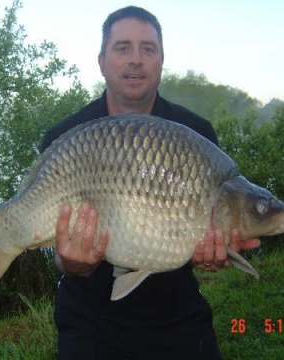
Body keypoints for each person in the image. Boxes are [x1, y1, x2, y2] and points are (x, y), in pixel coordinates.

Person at [40, 6, 260, 360]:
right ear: (101, 60)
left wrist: (212, 254)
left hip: (176, 316)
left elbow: (209, 232)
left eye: (148, 49)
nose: (136, 60)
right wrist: (73, 263)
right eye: (123, 47)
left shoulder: (197, 134)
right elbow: (60, 258)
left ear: (161, 60)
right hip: (89, 320)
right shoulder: (65, 137)